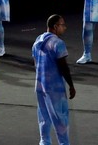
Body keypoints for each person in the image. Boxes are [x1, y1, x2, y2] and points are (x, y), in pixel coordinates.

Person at [32, 14, 76, 145]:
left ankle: (44, 142)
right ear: (55, 26)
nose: (65, 28)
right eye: (63, 25)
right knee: (60, 118)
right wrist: (71, 85)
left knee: (44, 117)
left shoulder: (37, 40)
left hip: (40, 85)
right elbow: (63, 67)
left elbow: (35, 62)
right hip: (54, 87)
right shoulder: (57, 43)